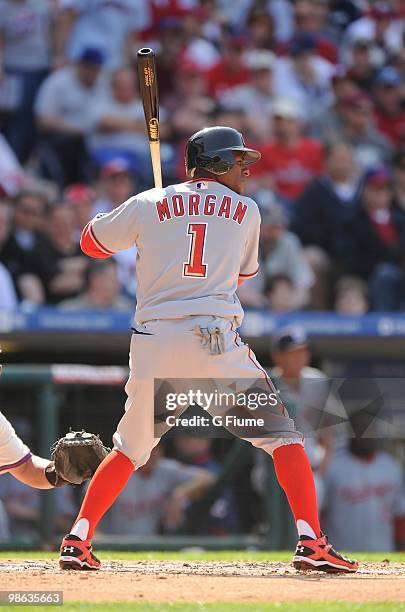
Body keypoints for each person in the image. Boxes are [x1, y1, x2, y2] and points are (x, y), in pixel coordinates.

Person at [59, 125, 358, 573]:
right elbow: (239, 278)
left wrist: (153, 218)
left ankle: (77, 539)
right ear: (215, 163)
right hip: (212, 340)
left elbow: (89, 242)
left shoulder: (148, 202)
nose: (247, 170)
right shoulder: (247, 210)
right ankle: (311, 541)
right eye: (239, 161)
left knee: (129, 448)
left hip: (154, 342)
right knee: (284, 439)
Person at [98, 445, 214, 536]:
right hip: (114, 543)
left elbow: (207, 478)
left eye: (154, 450)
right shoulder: (117, 470)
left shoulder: (166, 469)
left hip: (153, 544)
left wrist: (180, 494)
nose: (150, 455)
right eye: (146, 451)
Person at [35, 47, 105, 186]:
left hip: (96, 140)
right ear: (79, 65)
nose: (92, 72)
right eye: (89, 67)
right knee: (71, 143)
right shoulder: (58, 82)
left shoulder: (102, 83)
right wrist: (76, 130)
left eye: (95, 69)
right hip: (62, 140)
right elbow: (43, 120)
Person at [59, 259, 131, 311]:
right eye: (114, 278)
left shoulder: (125, 308)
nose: (118, 283)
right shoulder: (69, 310)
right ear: (96, 280)